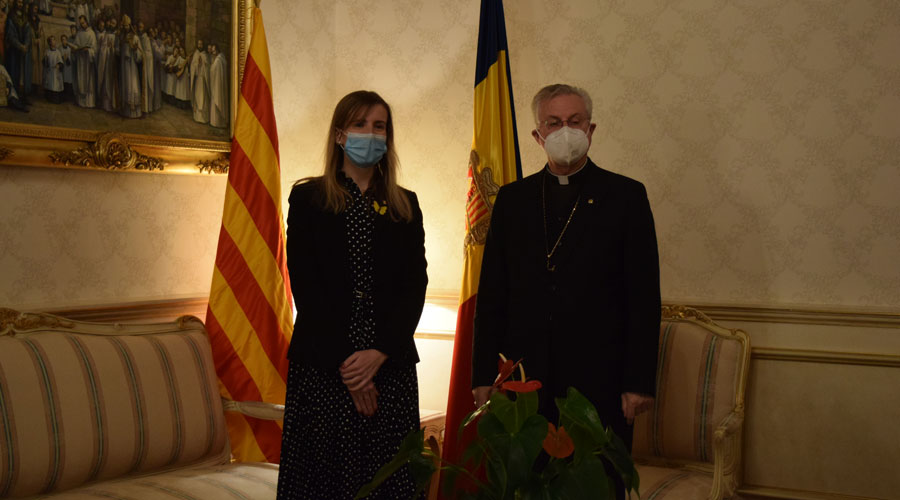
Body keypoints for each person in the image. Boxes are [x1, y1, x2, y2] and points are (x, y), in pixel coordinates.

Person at [471, 84, 661, 454]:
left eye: (575, 121)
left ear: (591, 130)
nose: (566, 131)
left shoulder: (626, 196)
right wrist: (482, 375)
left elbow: (643, 297)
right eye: (554, 123)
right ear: (537, 135)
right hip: (524, 379)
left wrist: (638, 382)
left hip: (600, 378)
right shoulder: (512, 200)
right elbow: (493, 293)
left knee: (596, 477)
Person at [277, 90, 427, 500]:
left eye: (379, 126)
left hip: (389, 366)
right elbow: (307, 286)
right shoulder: (308, 199)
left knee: (389, 482)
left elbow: (414, 286)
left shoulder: (405, 204)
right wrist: (350, 366)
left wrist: (379, 352)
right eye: (360, 124)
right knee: (325, 483)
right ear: (340, 134)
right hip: (324, 365)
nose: (370, 134)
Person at [71, 14, 95, 108]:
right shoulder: (79, 33)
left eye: (83, 23)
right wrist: (75, 48)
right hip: (80, 60)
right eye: (81, 23)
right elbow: (76, 44)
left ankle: (89, 102)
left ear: (87, 22)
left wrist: (88, 50)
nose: (82, 25)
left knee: (88, 80)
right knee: (80, 79)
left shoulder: (91, 33)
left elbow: (94, 49)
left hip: (88, 61)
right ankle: (80, 101)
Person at [188, 37, 208, 123]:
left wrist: (202, 63)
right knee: (197, 96)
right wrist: (197, 64)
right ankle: (196, 117)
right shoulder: (196, 54)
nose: (199, 45)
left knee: (203, 98)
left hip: (203, 79)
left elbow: (207, 67)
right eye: (198, 44)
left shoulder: (205, 55)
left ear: (203, 45)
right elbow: (192, 66)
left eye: (201, 44)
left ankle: (203, 118)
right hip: (197, 79)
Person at [207, 42, 226, 128]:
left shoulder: (218, 61)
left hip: (217, 86)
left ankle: (217, 123)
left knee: (217, 101)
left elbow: (216, 73)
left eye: (214, 51)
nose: (213, 52)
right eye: (212, 51)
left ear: (217, 50)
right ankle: (216, 122)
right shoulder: (219, 59)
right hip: (215, 84)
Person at [42, 35, 63, 103]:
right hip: (49, 71)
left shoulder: (58, 52)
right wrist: (45, 61)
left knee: (55, 85)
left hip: (56, 72)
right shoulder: (47, 52)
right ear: (49, 43)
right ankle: (49, 98)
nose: (54, 41)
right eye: (52, 40)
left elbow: (60, 62)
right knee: (49, 84)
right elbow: (44, 61)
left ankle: (56, 99)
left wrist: (59, 65)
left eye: (54, 40)